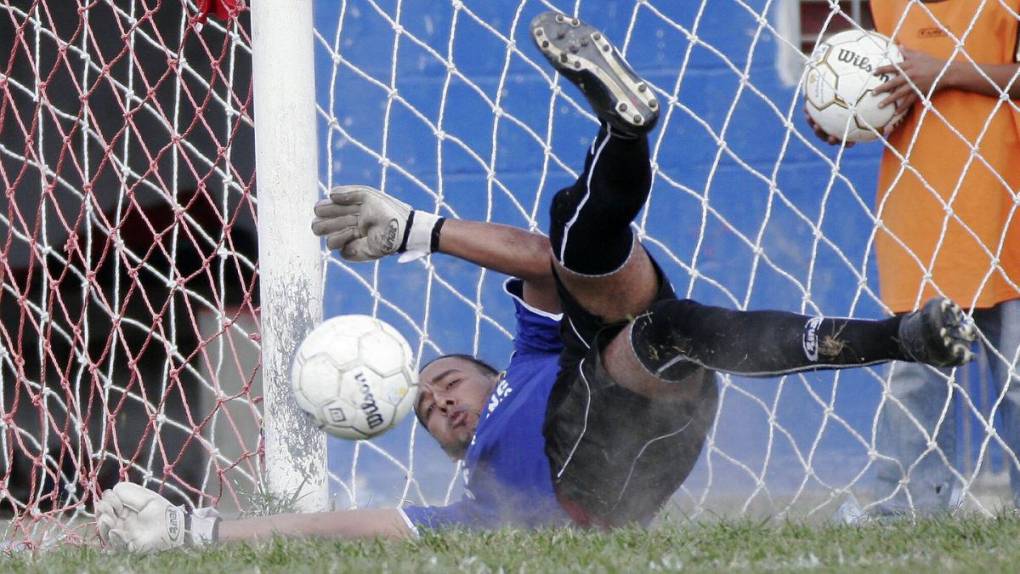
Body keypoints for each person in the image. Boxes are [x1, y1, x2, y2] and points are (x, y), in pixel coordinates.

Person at [94, 11, 977, 551]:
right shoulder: (486, 495)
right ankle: (627, 146)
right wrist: (198, 529)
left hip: (653, 377)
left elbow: (542, 267)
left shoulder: (533, 356)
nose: (439, 402)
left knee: (579, 245)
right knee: (623, 305)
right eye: (432, 410)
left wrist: (418, 230)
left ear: (494, 371)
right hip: (591, 480)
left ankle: (627, 136)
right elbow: (349, 527)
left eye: (444, 382)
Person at [808, 1, 1020, 516]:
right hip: (918, 202)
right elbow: (885, 84)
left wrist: (945, 73)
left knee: (1016, 371)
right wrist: (849, 112)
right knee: (915, 369)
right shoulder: (883, 4)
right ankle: (911, 508)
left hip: (1004, 198)